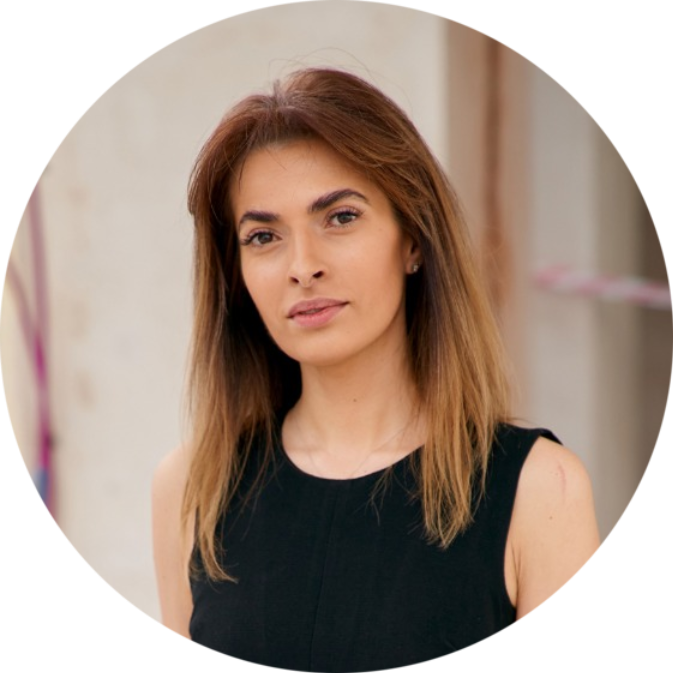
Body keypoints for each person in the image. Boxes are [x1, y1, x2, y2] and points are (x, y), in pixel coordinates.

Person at [152, 67, 600, 667]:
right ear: (236, 273)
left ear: (413, 238)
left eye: (340, 217)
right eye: (263, 236)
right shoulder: (193, 489)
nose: (302, 266)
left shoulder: (539, 491)